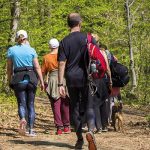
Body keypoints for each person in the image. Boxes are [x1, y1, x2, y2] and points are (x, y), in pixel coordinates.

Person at [58, 13, 97, 149]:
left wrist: (60, 83)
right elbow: (97, 57)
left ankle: (80, 139)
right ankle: (91, 131)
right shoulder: (89, 38)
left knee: (74, 107)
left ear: (68, 24)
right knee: (89, 106)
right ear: (80, 23)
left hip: (71, 78)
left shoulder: (64, 41)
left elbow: (62, 63)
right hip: (87, 77)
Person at [7, 30, 44, 136]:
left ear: (17, 38)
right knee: (31, 104)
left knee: (21, 104)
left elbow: (9, 68)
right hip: (31, 78)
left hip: (18, 79)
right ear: (26, 38)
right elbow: (37, 67)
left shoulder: (11, 50)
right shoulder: (31, 50)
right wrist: (41, 81)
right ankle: (31, 130)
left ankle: (23, 118)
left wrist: (10, 80)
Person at [41, 38, 70, 135]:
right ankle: (66, 126)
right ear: (58, 45)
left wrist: (43, 83)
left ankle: (59, 128)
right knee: (65, 103)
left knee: (56, 105)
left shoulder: (46, 57)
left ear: (50, 46)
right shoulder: (64, 55)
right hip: (64, 79)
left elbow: (43, 72)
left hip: (53, 80)